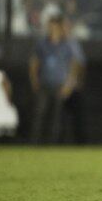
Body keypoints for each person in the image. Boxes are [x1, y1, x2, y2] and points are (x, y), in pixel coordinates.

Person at [29, 15, 82, 143]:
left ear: (59, 27)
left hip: (60, 85)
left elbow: (74, 67)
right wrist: (35, 81)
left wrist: (69, 85)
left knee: (57, 117)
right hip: (45, 85)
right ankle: (35, 142)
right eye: (50, 26)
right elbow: (34, 64)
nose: (52, 29)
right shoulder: (42, 44)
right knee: (40, 114)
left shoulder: (67, 45)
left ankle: (53, 144)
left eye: (54, 26)